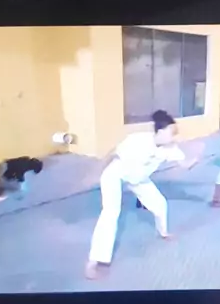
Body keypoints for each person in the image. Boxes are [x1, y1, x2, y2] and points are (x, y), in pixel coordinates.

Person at [85, 110, 200, 280]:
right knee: (111, 213)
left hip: (138, 179)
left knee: (160, 203)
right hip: (115, 174)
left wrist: (193, 161)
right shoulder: (138, 140)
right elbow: (113, 153)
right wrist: (95, 173)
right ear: (160, 132)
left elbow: (183, 164)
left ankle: (163, 232)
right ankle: (94, 261)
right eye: (172, 132)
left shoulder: (170, 148)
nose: (174, 137)